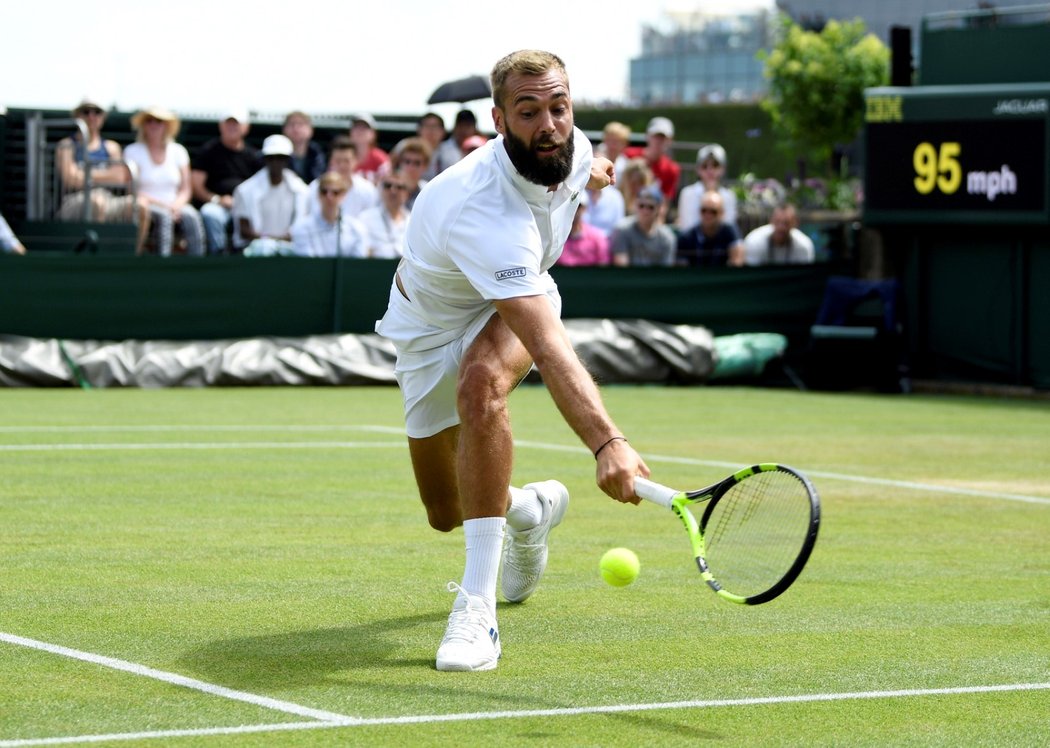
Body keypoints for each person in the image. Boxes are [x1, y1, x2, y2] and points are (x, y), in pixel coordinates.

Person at [374, 49, 649, 673]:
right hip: (427, 324)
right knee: (445, 513)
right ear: (500, 120)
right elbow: (553, 351)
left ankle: (477, 610)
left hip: (518, 299)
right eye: (529, 112)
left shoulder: (567, 148)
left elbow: (591, 167)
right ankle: (531, 510)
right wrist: (608, 442)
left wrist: (598, 172)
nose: (548, 123)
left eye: (559, 107)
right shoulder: (479, 206)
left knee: (481, 387)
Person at [124, 106, 206, 256]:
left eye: (159, 121)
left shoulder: (178, 151)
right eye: (149, 121)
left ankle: (197, 262)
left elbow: (186, 188)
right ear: (143, 125)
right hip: (147, 204)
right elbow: (131, 189)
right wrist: (165, 206)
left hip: (175, 204)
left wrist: (176, 205)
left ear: (166, 126)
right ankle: (163, 264)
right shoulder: (132, 151)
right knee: (164, 217)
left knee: (193, 217)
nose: (154, 125)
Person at [191, 108, 262, 254]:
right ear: (220, 126)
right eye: (228, 123)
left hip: (246, 207)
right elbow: (196, 186)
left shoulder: (254, 156)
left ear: (246, 127)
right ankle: (219, 256)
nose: (232, 127)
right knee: (210, 214)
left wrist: (242, 203)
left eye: (236, 123)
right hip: (217, 205)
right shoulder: (208, 151)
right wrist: (217, 200)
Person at [55, 98, 134, 222]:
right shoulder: (66, 145)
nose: (91, 116)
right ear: (77, 116)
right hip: (72, 202)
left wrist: (83, 175)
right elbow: (71, 180)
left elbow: (119, 178)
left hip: (109, 199)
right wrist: (106, 176)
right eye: (86, 112)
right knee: (97, 202)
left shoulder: (112, 147)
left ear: (103, 117)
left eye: (97, 112)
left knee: (140, 206)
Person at [233, 134, 310, 256]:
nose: (275, 162)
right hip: (256, 251)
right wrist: (270, 240)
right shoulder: (245, 190)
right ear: (265, 159)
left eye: (280, 158)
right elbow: (244, 231)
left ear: (287, 160)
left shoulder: (302, 190)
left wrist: (283, 240)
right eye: (271, 158)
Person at [289, 172, 368, 258]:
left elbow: (356, 264)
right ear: (318, 194)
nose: (329, 197)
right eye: (324, 192)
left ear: (344, 195)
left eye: (335, 192)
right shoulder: (302, 228)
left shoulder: (356, 229)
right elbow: (307, 263)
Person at [305, 135, 378, 218]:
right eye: (338, 161)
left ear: (355, 161)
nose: (342, 166)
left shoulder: (368, 190)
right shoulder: (315, 188)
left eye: (347, 161)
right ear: (331, 162)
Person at [676, 143, 738, 232]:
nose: (710, 171)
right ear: (698, 169)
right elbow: (687, 228)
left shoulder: (729, 196)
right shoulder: (687, 194)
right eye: (705, 166)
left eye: (715, 165)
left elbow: (728, 229)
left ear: (723, 169)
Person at [610, 186, 676, 267]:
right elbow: (621, 268)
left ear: (658, 209)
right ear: (635, 206)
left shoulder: (667, 237)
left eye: (650, 207)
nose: (645, 211)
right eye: (641, 206)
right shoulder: (622, 230)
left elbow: (665, 272)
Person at [676, 191, 744, 267]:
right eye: (704, 211)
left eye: (713, 212)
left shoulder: (730, 231)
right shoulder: (687, 237)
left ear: (722, 213)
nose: (707, 215)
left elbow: (737, 261)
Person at [622, 116, 680, 205]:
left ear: (670, 140)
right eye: (656, 136)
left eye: (663, 138)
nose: (658, 141)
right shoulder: (628, 155)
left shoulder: (672, 169)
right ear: (647, 136)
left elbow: (665, 201)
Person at [358, 169, 410, 259]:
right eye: (388, 186)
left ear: (406, 193)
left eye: (399, 187)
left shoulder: (412, 220)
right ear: (380, 190)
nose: (393, 191)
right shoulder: (365, 218)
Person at [742, 202, 816, 265]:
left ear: (795, 223)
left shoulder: (804, 245)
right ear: (771, 220)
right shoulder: (754, 241)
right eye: (777, 222)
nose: (781, 228)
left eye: (786, 223)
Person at [557, 192, 610, 266]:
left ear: (584, 209)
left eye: (578, 206)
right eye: (570, 206)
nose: (574, 210)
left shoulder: (597, 237)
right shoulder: (555, 235)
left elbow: (603, 265)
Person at [283, 111, 327, 184]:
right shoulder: (276, 158)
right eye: (291, 124)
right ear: (284, 129)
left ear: (311, 130)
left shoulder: (319, 156)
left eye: (300, 124)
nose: (296, 128)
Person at [388, 137, 432, 210]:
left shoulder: (428, 190)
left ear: (425, 166)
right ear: (400, 163)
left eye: (417, 163)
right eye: (407, 161)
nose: (411, 167)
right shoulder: (387, 188)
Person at [433, 109, 480, 175]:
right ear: (455, 127)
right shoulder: (442, 148)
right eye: (461, 125)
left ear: (474, 128)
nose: (464, 130)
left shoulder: (480, 148)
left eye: (468, 126)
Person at [349, 113, 389, 183]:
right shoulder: (343, 158)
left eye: (364, 127)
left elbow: (386, 184)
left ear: (373, 134)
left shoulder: (380, 158)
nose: (360, 131)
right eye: (356, 127)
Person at [416, 112, 446, 181]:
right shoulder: (406, 147)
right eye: (427, 126)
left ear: (443, 131)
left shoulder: (451, 153)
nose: (431, 130)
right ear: (419, 129)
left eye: (435, 126)